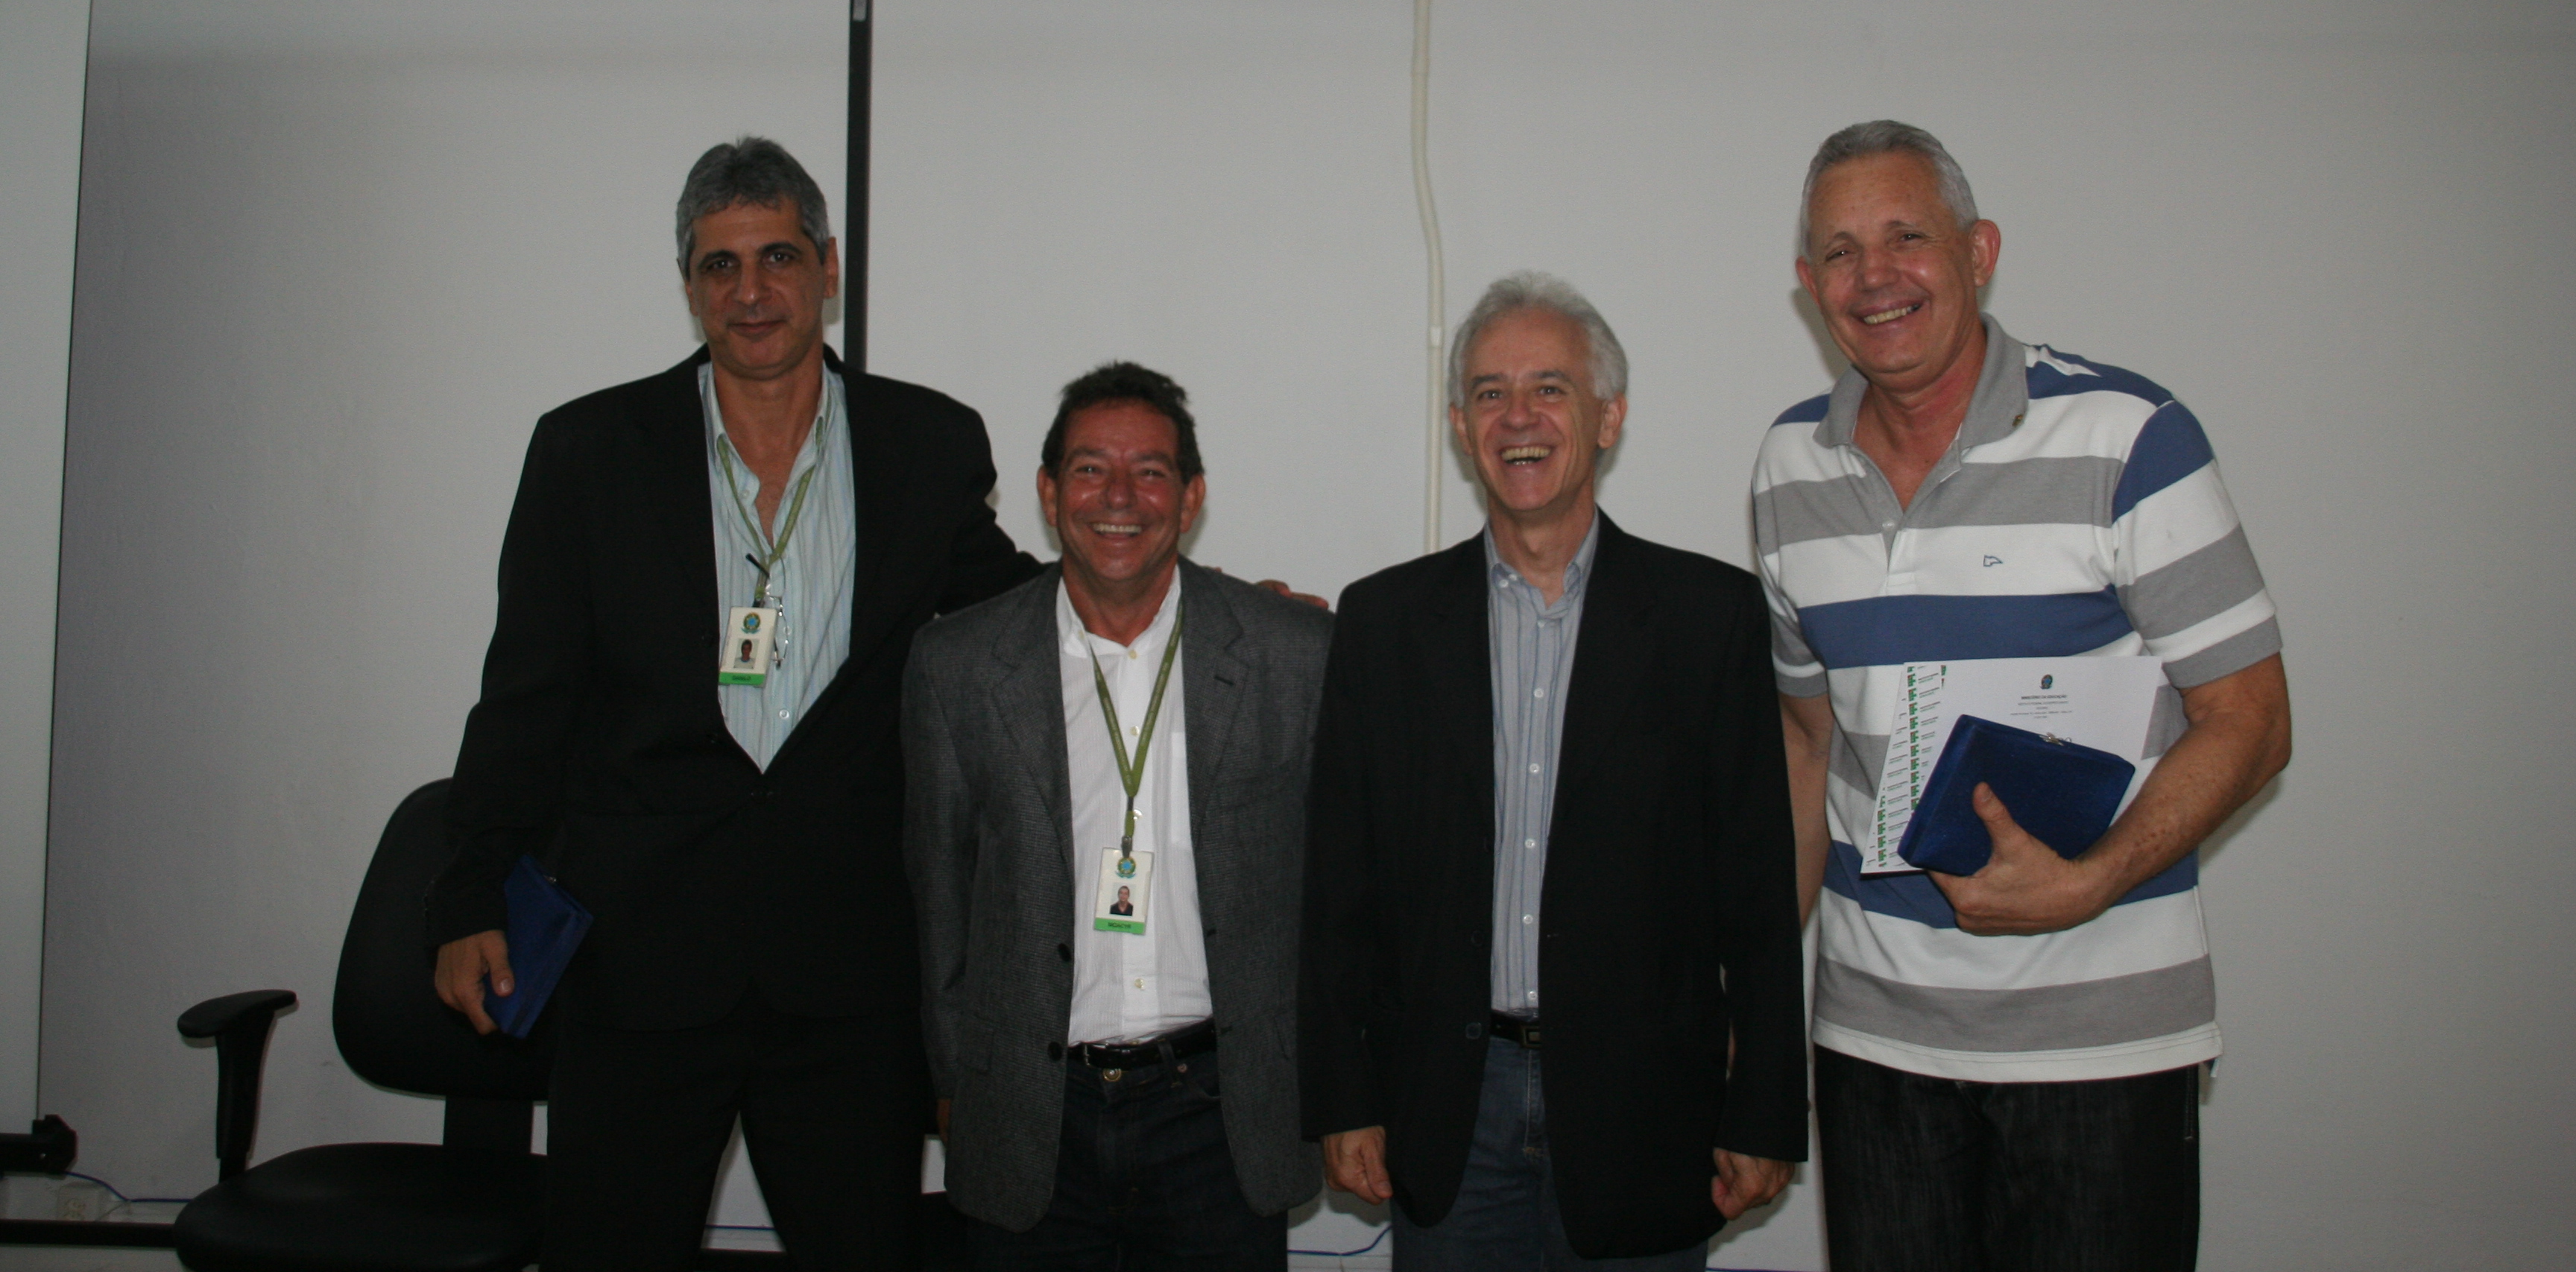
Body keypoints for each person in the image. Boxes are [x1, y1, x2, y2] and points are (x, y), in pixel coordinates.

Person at [426, 136, 1041, 1271]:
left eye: (778, 257)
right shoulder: (587, 452)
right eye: (721, 265)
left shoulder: (924, 442)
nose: (751, 291)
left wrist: (1194, 604)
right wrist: (469, 893)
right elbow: (523, 698)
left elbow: (1018, 614)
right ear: (689, 283)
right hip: (640, 961)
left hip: (848, 969)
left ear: (828, 268)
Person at [1756, 120, 2293, 1271]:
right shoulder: (1789, 468)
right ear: (1810, 285)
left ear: (1978, 250)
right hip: (1875, 1046)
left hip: (2101, 1044)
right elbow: (1808, 749)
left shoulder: (2130, 435)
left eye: (1906, 237)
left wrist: (2093, 878)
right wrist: (1752, 1005)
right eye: (1840, 252)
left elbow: (2250, 723)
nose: (1874, 276)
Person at [1302, 274, 1808, 1268]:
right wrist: (1342, 1096)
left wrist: (1764, 1108)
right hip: (1448, 1110)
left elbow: (1755, 888)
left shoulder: (1708, 619)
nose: (1518, 418)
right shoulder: (1385, 623)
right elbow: (1338, 887)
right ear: (1461, 427)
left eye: (1550, 389)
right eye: (1490, 394)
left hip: (1646, 1111)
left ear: (1608, 417)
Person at [904, 362, 1331, 1266]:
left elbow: (1341, 894)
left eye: (1151, 471)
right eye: (1092, 469)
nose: (1120, 497)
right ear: (1049, 492)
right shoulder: (958, 666)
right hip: (1033, 1115)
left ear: (1192, 497)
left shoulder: (1294, 655)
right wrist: (957, 1080)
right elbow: (939, 900)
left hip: (1219, 1118)